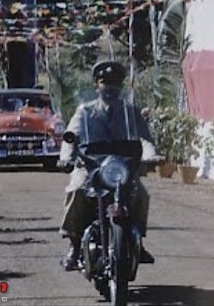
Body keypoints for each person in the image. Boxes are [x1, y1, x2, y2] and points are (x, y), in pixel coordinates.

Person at [58, 60, 159, 271]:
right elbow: (70, 137)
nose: (110, 88)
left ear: (120, 86)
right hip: (91, 166)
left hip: (121, 167)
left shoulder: (130, 111)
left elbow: (145, 138)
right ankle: (74, 245)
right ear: (97, 85)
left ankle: (137, 240)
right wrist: (66, 158)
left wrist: (152, 155)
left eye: (114, 83)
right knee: (77, 189)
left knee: (140, 194)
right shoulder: (85, 111)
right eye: (105, 82)